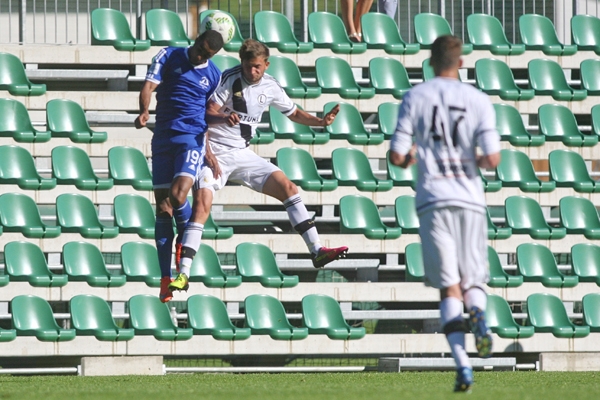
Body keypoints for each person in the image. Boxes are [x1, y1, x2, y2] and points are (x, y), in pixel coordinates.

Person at [168, 39, 349, 293]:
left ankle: (317, 250)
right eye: (247, 66)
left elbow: (294, 113)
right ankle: (184, 273)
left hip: (241, 153)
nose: (251, 72)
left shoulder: (271, 85)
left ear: (266, 64)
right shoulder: (229, 79)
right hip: (214, 153)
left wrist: (320, 121)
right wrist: (210, 145)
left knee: (288, 187)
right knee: (201, 206)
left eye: (256, 67)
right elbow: (206, 113)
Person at [389, 35, 501, 392]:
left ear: (430, 62)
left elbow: (397, 155)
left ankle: (463, 365)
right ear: (461, 63)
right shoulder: (478, 99)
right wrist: (474, 159)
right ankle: (480, 314)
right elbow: (492, 158)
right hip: (470, 197)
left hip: (433, 198)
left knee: (448, 287)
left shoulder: (415, 97)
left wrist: (413, 157)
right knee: (473, 282)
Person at [134, 30, 224, 303]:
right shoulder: (169, 54)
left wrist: (207, 149)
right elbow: (149, 85)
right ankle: (165, 279)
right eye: (199, 50)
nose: (200, 57)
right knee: (162, 208)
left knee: (178, 196)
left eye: (206, 55)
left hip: (190, 139)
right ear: (196, 40)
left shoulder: (214, 75)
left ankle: (184, 238)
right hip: (162, 137)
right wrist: (144, 110)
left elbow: (209, 111)